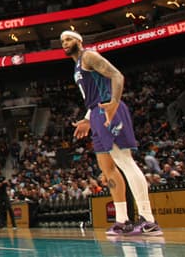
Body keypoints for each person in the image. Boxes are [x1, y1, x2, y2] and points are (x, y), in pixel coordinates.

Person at [63, 30, 162, 236]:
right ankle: (122, 220)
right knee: (107, 169)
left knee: (125, 161)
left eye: (69, 39)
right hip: (96, 113)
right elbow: (94, 95)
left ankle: (148, 219)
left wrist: (114, 104)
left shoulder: (88, 56)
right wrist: (88, 119)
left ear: (79, 41)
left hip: (108, 110)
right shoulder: (77, 66)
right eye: (62, 41)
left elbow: (117, 75)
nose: (65, 43)